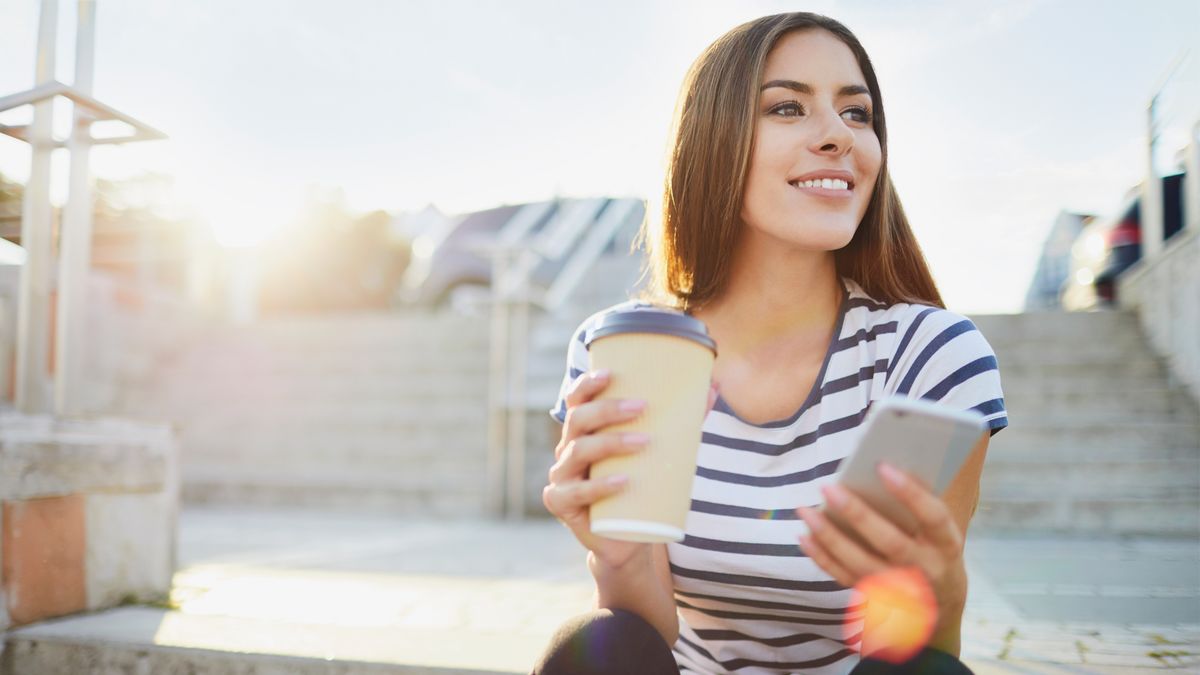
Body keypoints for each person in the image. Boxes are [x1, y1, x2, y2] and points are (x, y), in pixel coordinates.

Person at [536, 11, 1007, 675]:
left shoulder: (931, 354)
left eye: (857, 113)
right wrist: (615, 555)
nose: (839, 137)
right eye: (788, 107)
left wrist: (945, 590)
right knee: (590, 647)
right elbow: (643, 635)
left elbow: (909, 645)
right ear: (712, 140)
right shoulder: (628, 346)